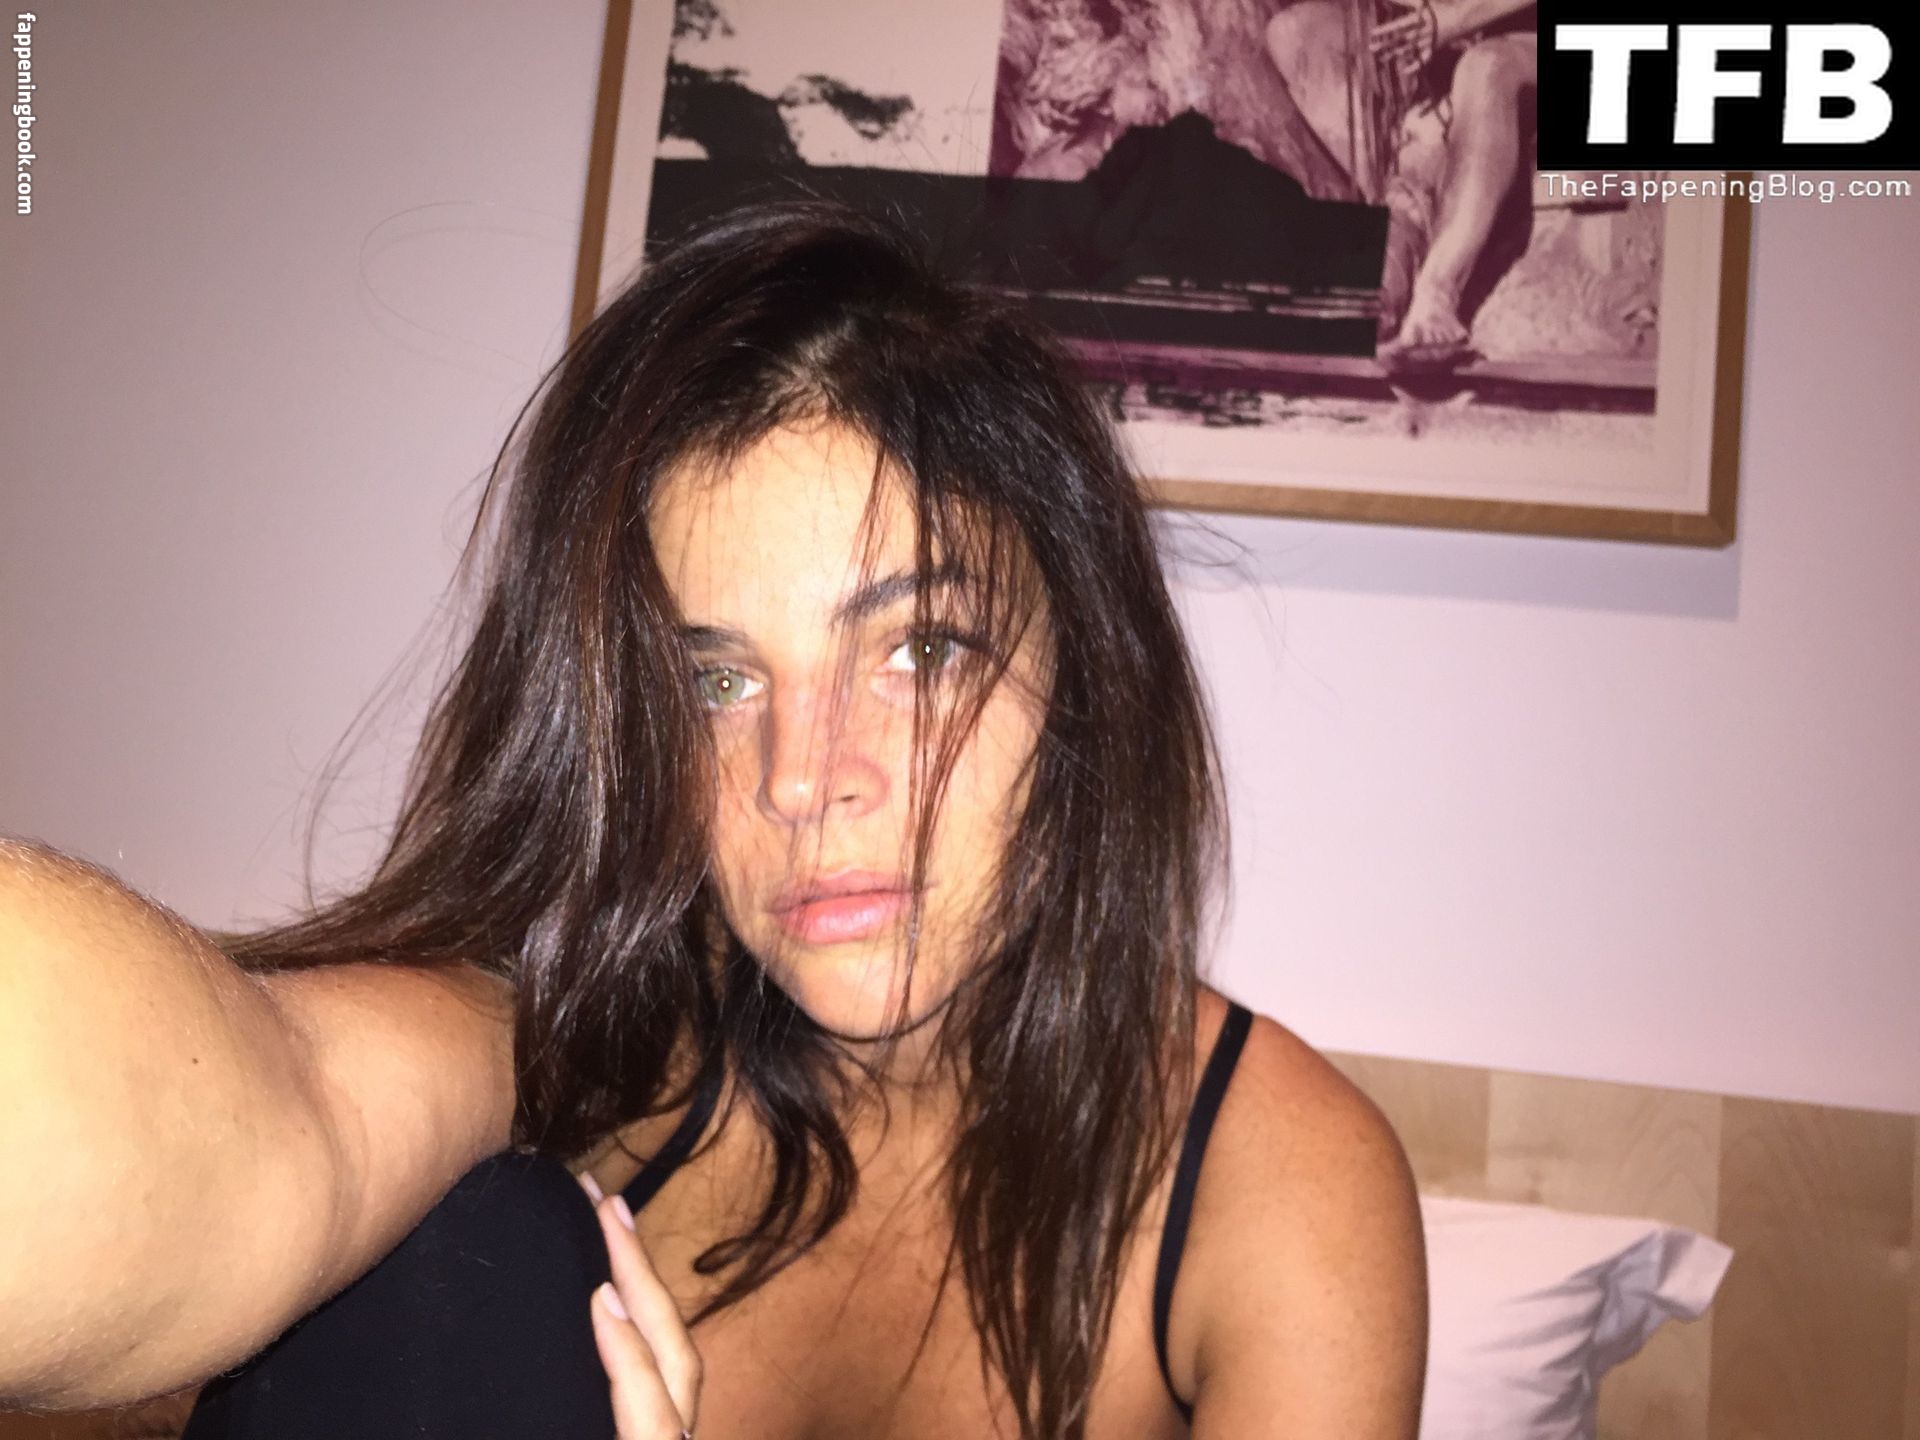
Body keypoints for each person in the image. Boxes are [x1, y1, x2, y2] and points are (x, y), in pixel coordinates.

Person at [2, 202, 1425, 1439]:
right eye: (717, 680)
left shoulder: (1274, 1189)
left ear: (1082, 675)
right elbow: (285, 1114)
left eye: (921, 650)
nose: (805, 778)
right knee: (461, 1258)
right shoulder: (595, 1033)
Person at [1264, 0, 1539, 369]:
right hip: (1453, 36)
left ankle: (1438, 288)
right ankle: (1405, 208)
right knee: (1296, 35)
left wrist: (1454, 18)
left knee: (1485, 67)